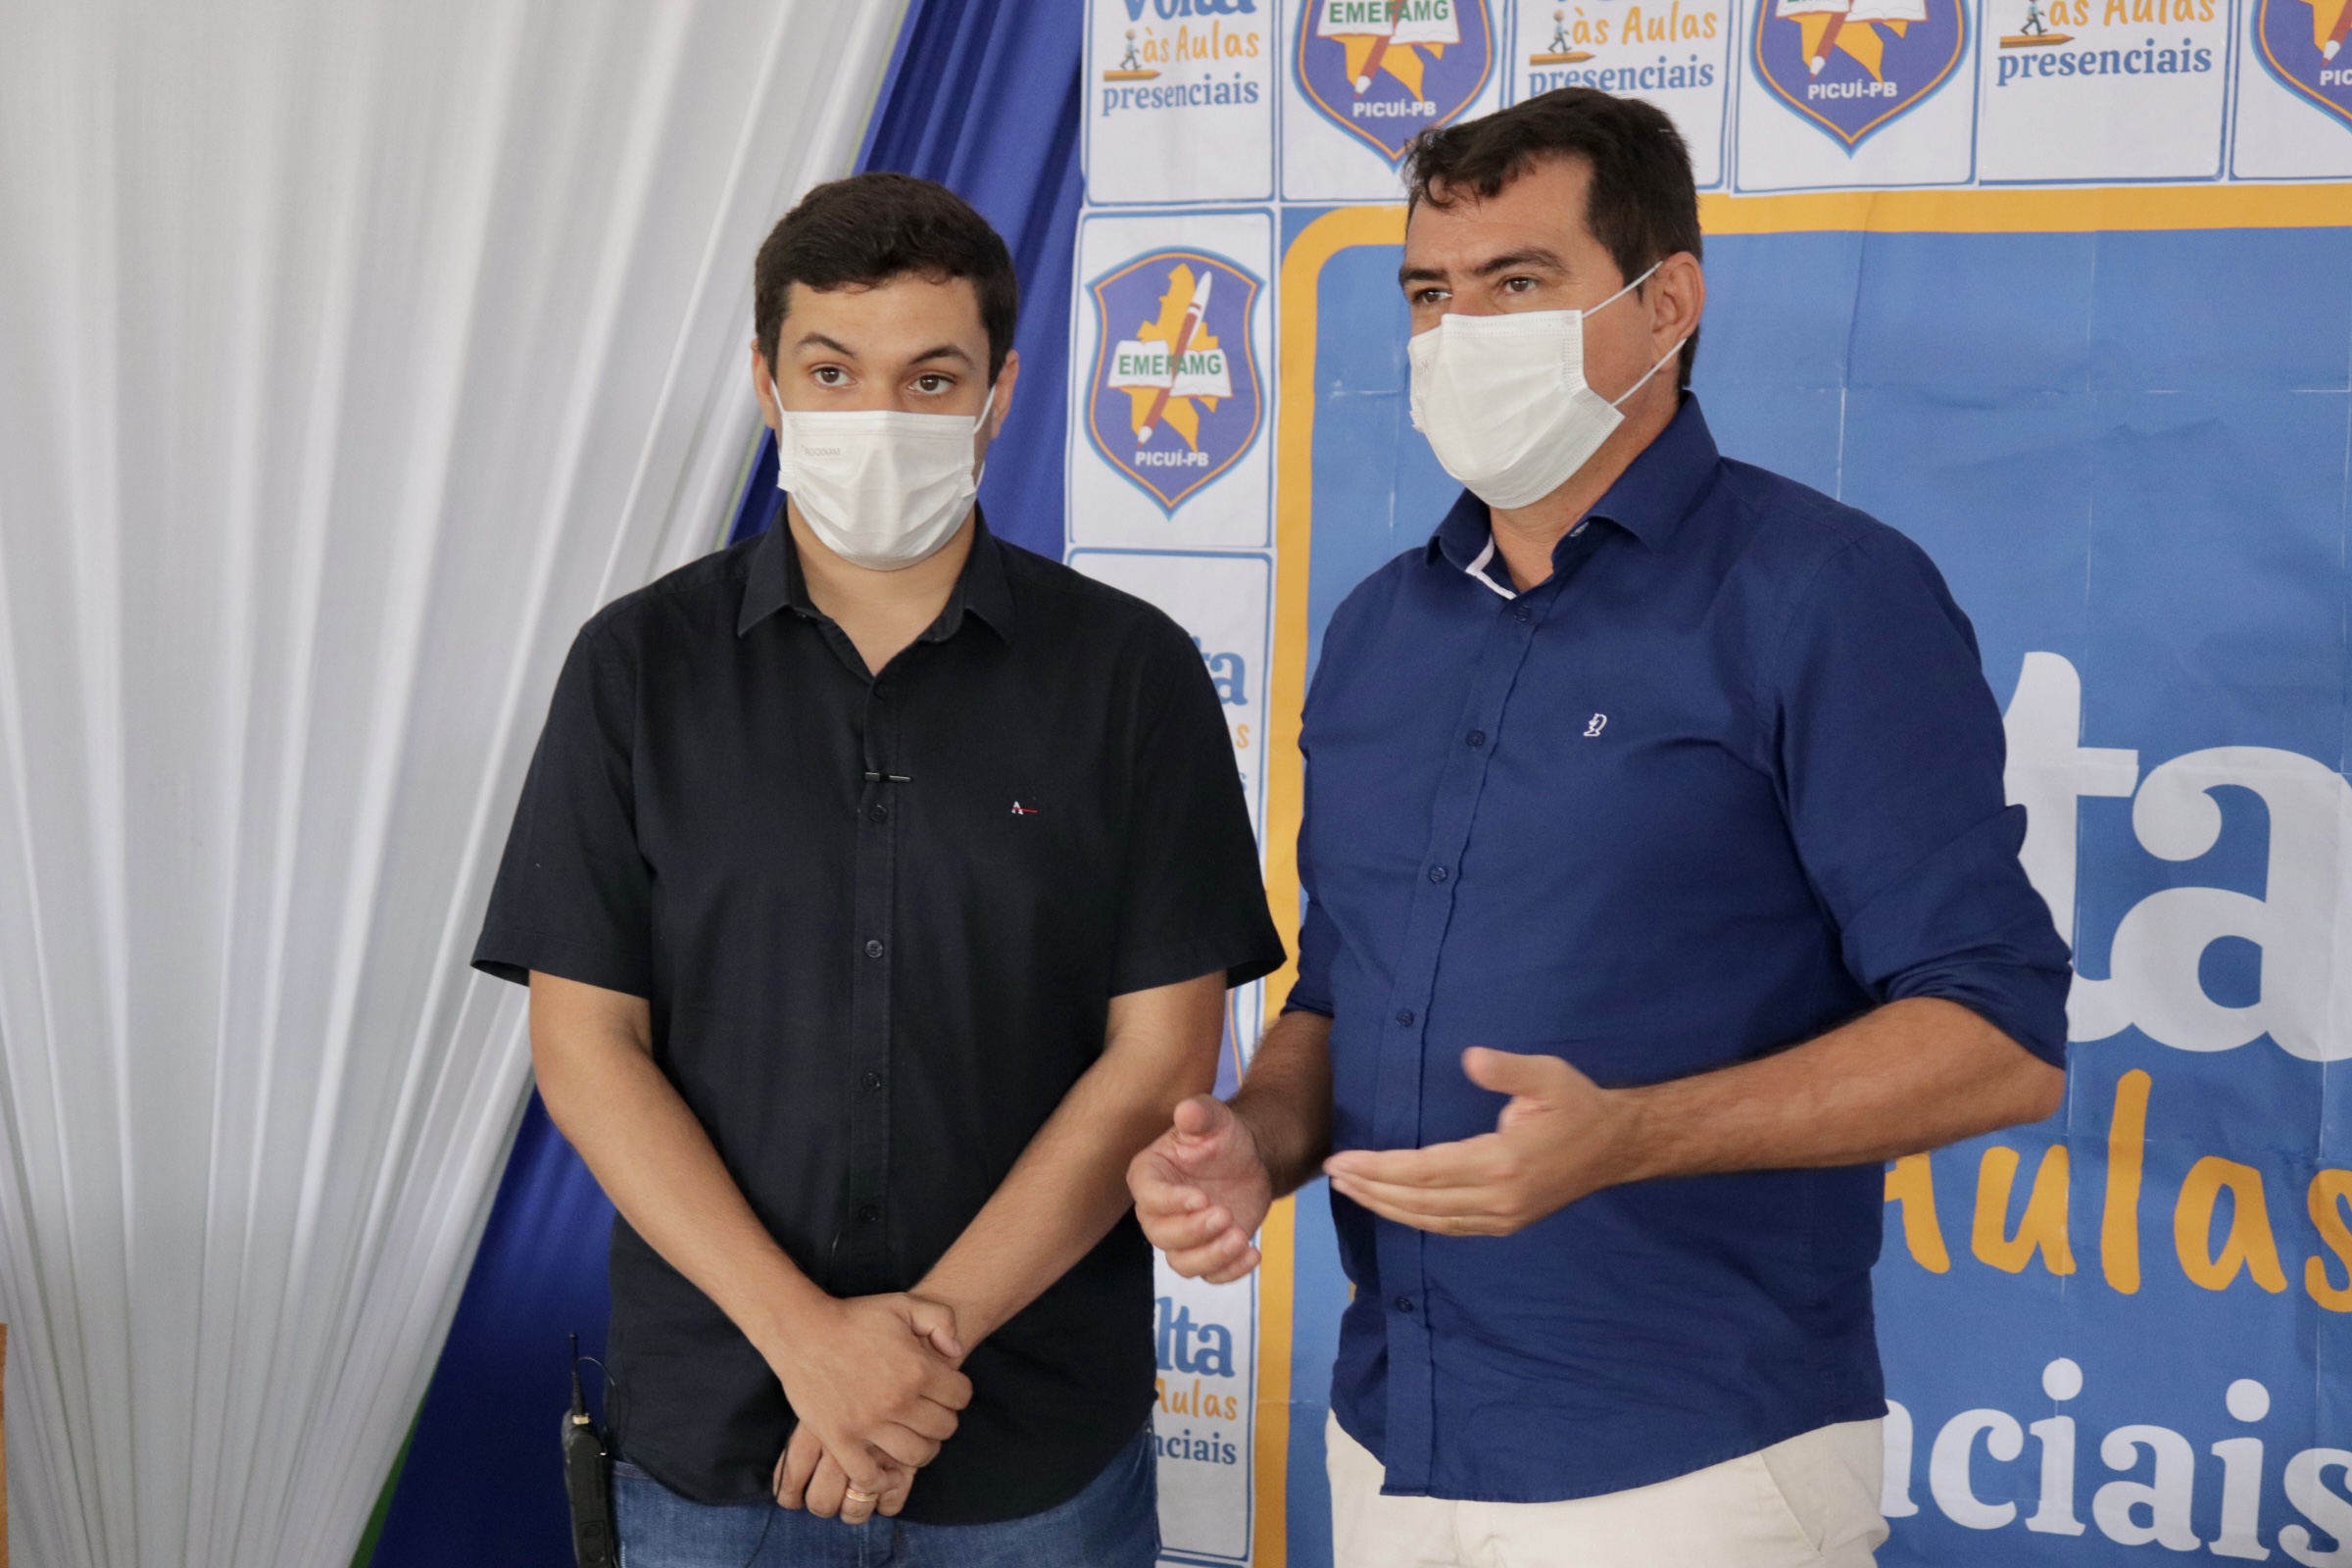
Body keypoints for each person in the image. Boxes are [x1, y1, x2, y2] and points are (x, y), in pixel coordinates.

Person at [1130, 88, 2070, 1568]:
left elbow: (1999, 1035)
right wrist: (1255, 1142)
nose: (1459, 331)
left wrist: (1633, 1136)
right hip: (1390, 1442)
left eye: (1517, 282)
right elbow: (1343, 993)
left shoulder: (1823, 595)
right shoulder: (1380, 627)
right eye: (1429, 293)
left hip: (1693, 1463)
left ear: (1666, 303)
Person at [476, 172, 1283, 1567]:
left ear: (1000, 393)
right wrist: (806, 1341)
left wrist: (913, 1354)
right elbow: (586, 1045)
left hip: (1033, 1442)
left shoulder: (1129, 673)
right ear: (767, 382)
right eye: (832, 372)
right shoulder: (637, 668)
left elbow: (1159, 1055)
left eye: (931, 378)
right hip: (718, 1438)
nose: (878, 415)